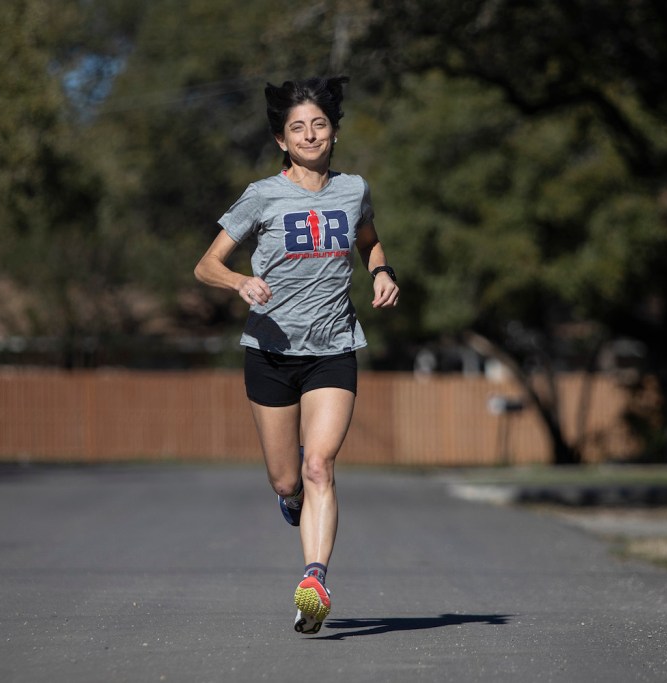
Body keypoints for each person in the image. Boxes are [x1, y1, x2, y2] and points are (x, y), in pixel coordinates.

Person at [193, 76, 399, 634]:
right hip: (271, 351)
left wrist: (381, 271)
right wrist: (239, 283)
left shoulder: (353, 189)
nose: (310, 135)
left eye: (319, 125)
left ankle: (314, 579)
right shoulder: (262, 195)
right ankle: (291, 503)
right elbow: (205, 264)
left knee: (319, 466)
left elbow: (368, 239)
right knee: (287, 481)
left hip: (334, 347)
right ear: (282, 140)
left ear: (333, 132)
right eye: (297, 128)